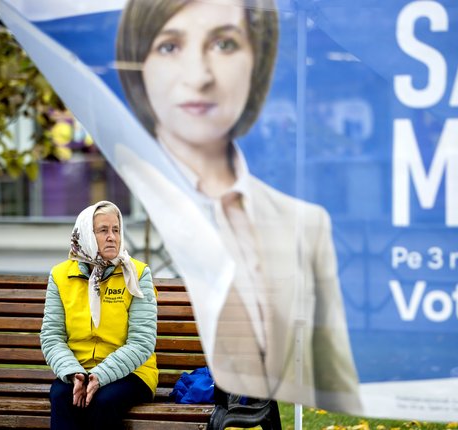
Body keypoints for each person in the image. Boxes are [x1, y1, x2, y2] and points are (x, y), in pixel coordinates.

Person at [116, 0, 361, 413]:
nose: (199, 76)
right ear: (139, 68)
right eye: (170, 46)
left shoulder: (304, 222)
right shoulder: (132, 197)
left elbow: (337, 386)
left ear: (256, 64)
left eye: (224, 44)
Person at [40, 200, 158, 429]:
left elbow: (142, 342)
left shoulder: (138, 274)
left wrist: (100, 375)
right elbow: (51, 336)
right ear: (85, 234)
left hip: (132, 373)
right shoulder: (60, 275)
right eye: (103, 230)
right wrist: (73, 373)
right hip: (77, 369)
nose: (112, 236)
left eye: (116, 230)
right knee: (61, 397)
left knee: (103, 401)